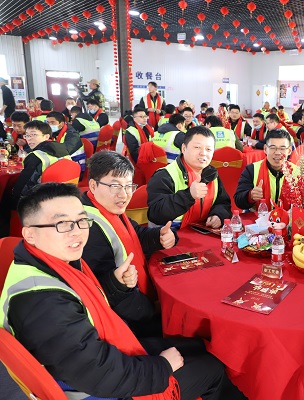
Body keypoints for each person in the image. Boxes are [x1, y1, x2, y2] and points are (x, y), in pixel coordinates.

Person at [1, 183, 244, 400]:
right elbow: (98, 374)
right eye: (62, 224)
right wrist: (162, 366)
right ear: (29, 233)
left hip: (99, 354)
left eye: (81, 220)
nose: (77, 232)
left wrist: (115, 285)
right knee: (213, 368)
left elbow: (86, 309)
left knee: (201, 345)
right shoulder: (41, 302)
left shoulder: (48, 262)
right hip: (97, 388)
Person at [81, 151, 176, 335]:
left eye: (128, 186)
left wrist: (160, 237)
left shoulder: (105, 208)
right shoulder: (87, 227)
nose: (124, 195)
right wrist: (155, 310)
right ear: (93, 185)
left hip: (136, 302)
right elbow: (106, 292)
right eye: (115, 186)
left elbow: (134, 234)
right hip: (125, 323)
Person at [147, 126, 231, 229]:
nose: (203, 153)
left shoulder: (211, 175)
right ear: (183, 148)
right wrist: (189, 195)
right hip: (170, 234)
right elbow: (156, 214)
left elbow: (223, 203)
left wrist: (218, 215)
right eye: (197, 147)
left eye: (208, 149)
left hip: (200, 231)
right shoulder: (164, 175)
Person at [11, 120, 70, 208]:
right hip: (65, 195)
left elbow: (23, 188)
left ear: (46, 136)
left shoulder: (36, 156)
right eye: (27, 135)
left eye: (34, 135)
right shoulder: (63, 151)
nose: (29, 138)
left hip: (41, 201)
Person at [234, 129, 296, 211]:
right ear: (265, 149)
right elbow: (238, 200)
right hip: (259, 217)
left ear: (289, 151)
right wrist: (250, 196)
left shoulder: (298, 173)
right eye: (273, 148)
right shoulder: (252, 169)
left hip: (290, 217)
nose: (277, 153)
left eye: (282, 148)